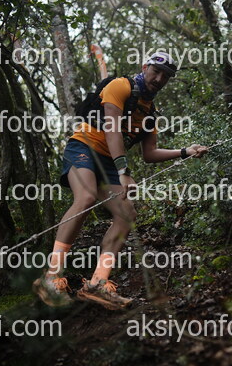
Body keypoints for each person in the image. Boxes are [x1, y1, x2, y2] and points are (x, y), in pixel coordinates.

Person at [33, 52, 208, 309]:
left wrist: (185, 151)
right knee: (86, 197)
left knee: (127, 213)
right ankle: (51, 276)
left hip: (109, 162)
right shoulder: (120, 86)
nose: (159, 79)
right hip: (83, 146)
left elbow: (150, 154)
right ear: (145, 67)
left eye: (166, 76)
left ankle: (98, 283)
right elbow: (112, 128)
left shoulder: (150, 114)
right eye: (156, 71)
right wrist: (123, 171)